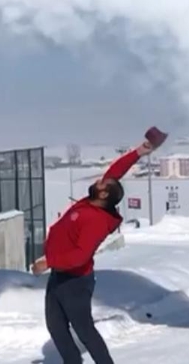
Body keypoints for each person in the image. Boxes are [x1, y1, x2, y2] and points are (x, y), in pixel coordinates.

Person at [31, 138, 160, 364]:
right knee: (56, 326)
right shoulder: (92, 202)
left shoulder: (96, 220)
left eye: (102, 184)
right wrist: (140, 151)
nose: (99, 181)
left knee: (84, 330)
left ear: (104, 196)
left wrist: (48, 261)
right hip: (59, 276)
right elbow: (114, 173)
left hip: (75, 281)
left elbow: (81, 255)